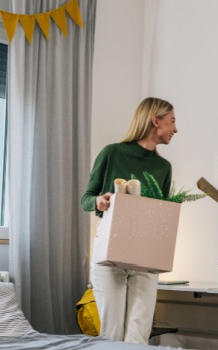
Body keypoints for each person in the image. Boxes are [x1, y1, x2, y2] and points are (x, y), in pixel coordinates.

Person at [81, 97, 177, 344]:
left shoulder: (164, 167)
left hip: (146, 253)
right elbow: (86, 199)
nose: (175, 129)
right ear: (155, 120)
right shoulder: (111, 153)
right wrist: (99, 202)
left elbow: (160, 212)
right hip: (110, 246)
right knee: (111, 332)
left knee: (138, 333)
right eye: (172, 121)